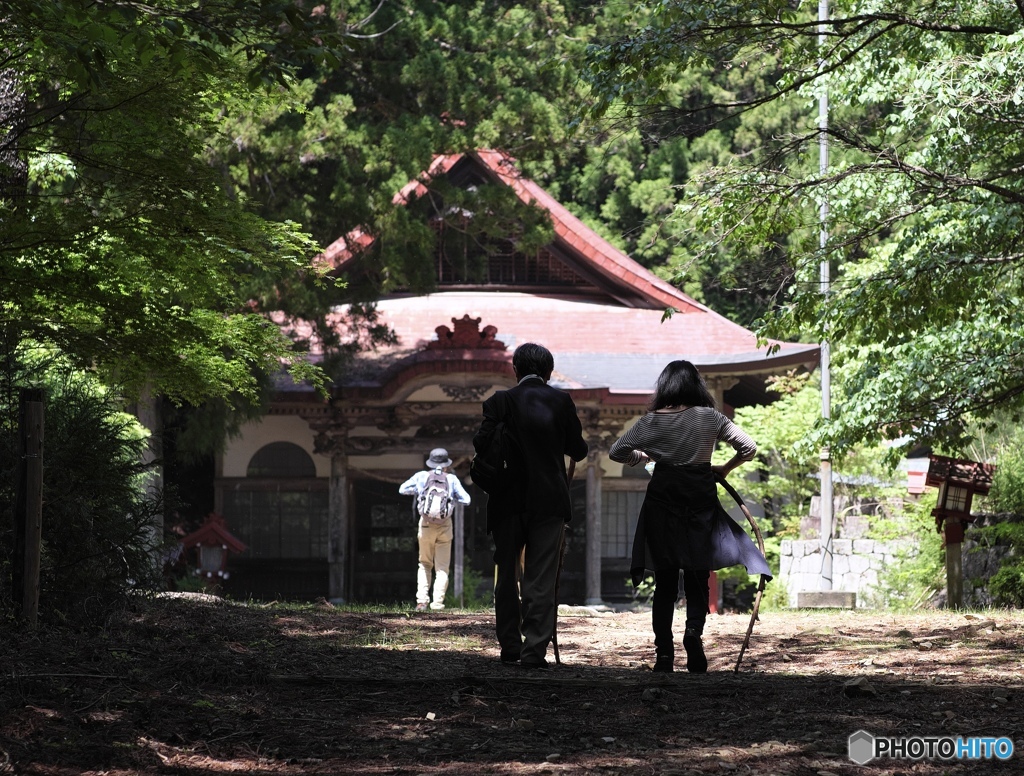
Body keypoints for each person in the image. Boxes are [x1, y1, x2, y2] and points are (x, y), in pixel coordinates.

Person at [609, 360, 771, 673]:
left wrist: (639, 457)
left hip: (663, 501)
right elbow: (748, 447)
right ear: (696, 386)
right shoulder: (710, 417)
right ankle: (693, 633)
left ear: (665, 386)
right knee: (698, 575)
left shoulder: (651, 421)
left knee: (665, 581)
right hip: (700, 498)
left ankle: (664, 655)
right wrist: (724, 468)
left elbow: (616, 452)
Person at [473, 343, 589, 669]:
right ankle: (534, 651)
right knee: (540, 576)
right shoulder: (560, 401)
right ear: (548, 372)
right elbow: (577, 450)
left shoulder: (499, 402)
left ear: (516, 370)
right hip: (548, 500)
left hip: (506, 500)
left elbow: (480, 444)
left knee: (507, 573)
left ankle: (509, 645)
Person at [399, 448, 472, 612]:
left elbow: (402, 489)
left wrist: (419, 492)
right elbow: (466, 499)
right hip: (445, 526)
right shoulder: (451, 479)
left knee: (424, 563)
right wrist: (451, 501)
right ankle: (437, 604)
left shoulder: (421, 476)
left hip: (425, 525)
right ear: (446, 465)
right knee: (442, 567)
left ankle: (422, 602)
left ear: (431, 463)